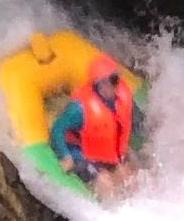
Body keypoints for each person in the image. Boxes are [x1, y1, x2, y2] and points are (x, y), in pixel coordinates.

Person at [47, 58, 139, 194]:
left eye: (116, 79)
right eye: (112, 80)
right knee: (104, 180)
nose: (116, 85)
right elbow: (58, 129)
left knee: (127, 175)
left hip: (101, 147)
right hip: (79, 150)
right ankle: (108, 211)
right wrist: (66, 156)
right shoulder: (80, 109)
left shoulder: (119, 98)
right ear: (99, 84)